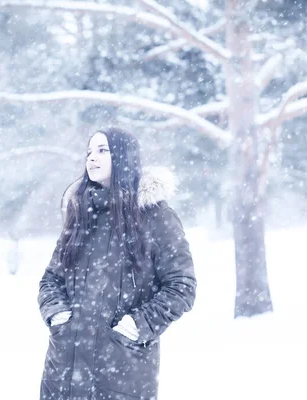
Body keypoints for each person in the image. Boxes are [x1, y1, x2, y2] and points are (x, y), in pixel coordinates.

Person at [38, 127, 196, 400]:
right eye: (89, 151)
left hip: (122, 372)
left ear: (123, 157)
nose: (92, 158)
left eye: (102, 150)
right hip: (63, 370)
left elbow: (181, 286)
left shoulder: (155, 216)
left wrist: (136, 325)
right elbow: (51, 279)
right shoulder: (81, 214)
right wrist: (58, 316)